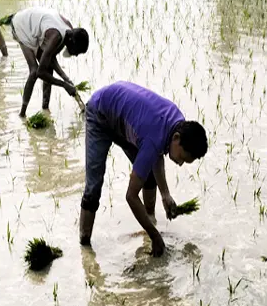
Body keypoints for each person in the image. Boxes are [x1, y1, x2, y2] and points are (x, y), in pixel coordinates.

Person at [79, 81, 208, 256]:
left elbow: (158, 149)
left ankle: (149, 225)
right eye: (182, 158)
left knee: (148, 177)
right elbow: (130, 196)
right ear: (176, 138)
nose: (180, 163)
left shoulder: (176, 121)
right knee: (94, 186)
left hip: (124, 120)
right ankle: (85, 248)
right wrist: (156, 237)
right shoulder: (154, 137)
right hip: (99, 113)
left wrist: (165, 194)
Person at [8, 7, 89, 116]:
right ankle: (22, 113)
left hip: (35, 25)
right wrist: (64, 85)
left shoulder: (68, 31)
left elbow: (51, 57)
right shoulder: (56, 36)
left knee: (48, 68)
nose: (75, 55)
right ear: (72, 41)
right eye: (77, 52)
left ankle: (45, 109)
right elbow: (40, 73)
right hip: (22, 25)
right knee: (34, 71)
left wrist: (66, 78)